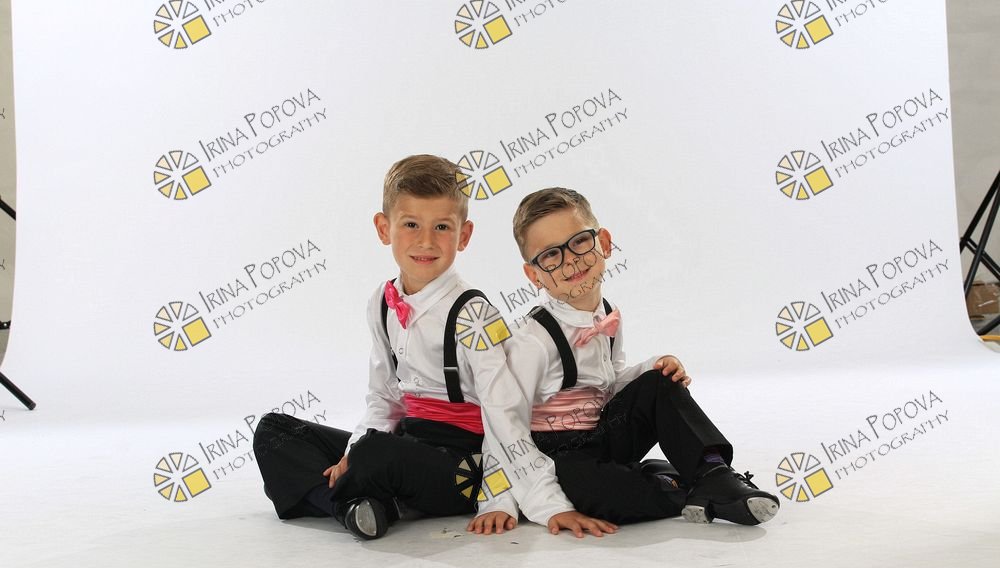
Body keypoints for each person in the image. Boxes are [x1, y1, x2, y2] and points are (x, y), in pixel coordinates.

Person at [253, 156, 615, 540]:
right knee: (274, 431)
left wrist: (509, 499)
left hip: (464, 465)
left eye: (442, 227)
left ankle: (353, 499)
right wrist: (351, 450)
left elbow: (505, 414)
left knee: (375, 455)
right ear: (384, 228)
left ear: (464, 235)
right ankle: (355, 508)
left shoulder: (475, 314)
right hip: (408, 441)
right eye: (411, 224)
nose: (425, 241)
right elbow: (384, 398)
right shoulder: (381, 303)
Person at [468, 187, 780, 535]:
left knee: (660, 381)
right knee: (602, 494)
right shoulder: (533, 340)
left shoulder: (608, 314)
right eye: (551, 255)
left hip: (603, 434)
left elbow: (609, 382)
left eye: (579, 242)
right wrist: (499, 500)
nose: (570, 260)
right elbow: (503, 423)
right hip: (561, 455)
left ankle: (712, 473)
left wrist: (652, 369)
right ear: (534, 275)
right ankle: (680, 486)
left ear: (604, 243)